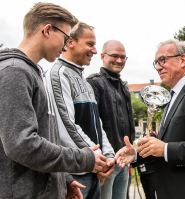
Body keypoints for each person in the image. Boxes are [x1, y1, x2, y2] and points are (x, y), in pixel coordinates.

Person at [0, 3, 107, 199]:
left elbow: (44, 139)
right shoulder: (15, 72)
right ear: (48, 30)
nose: (66, 46)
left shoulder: (33, 73)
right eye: (65, 38)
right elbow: (21, 145)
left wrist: (63, 180)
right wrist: (84, 158)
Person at [115, 39, 185, 199]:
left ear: (182, 60)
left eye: (163, 60)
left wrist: (166, 149)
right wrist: (137, 154)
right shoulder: (172, 96)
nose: (158, 67)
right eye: (156, 63)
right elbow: (167, 143)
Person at [46, 22, 115, 198]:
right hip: (75, 176)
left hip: (92, 169)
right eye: (90, 44)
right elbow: (66, 126)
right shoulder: (58, 74)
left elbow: (97, 124)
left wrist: (108, 155)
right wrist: (99, 158)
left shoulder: (84, 81)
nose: (94, 50)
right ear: (70, 42)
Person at [87, 40, 135, 199]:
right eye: (114, 56)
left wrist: (132, 154)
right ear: (102, 56)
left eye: (123, 57)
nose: (119, 60)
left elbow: (129, 123)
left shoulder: (123, 86)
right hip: (106, 163)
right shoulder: (94, 83)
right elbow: (90, 124)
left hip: (124, 161)